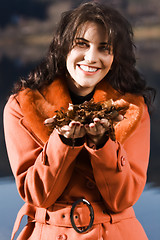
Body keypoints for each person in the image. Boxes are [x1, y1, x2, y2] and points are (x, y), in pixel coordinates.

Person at [3, 2, 155, 240]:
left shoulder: (131, 110)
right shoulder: (23, 107)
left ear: (115, 57)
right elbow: (37, 195)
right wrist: (63, 142)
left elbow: (123, 199)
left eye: (104, 48)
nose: (92, 57)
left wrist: (103, 145)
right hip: (49, 232)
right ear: (63, 47)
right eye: (82, 44)